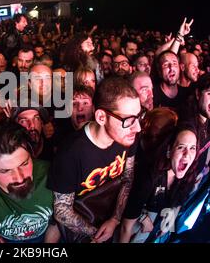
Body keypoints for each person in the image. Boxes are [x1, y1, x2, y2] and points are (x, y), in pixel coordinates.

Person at [48, 76, 143, 243]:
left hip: (111, 219)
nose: (138, 127)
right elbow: (62, 210)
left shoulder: (128, 135)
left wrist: (115, 219)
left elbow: (128, 178)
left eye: (139, 116)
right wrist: (96, 233)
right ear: (101, 117)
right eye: (128, 120)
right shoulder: (70, 154)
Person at [119, 126, 198, 243]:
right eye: (181, 147)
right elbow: (126, 228)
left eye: (192, 148)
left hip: (153, 228)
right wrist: (143, 217)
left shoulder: (188, 175)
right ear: (169, 150)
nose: (187, 155)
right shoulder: (150, 176)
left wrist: (170, 222)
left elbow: (178, 201)